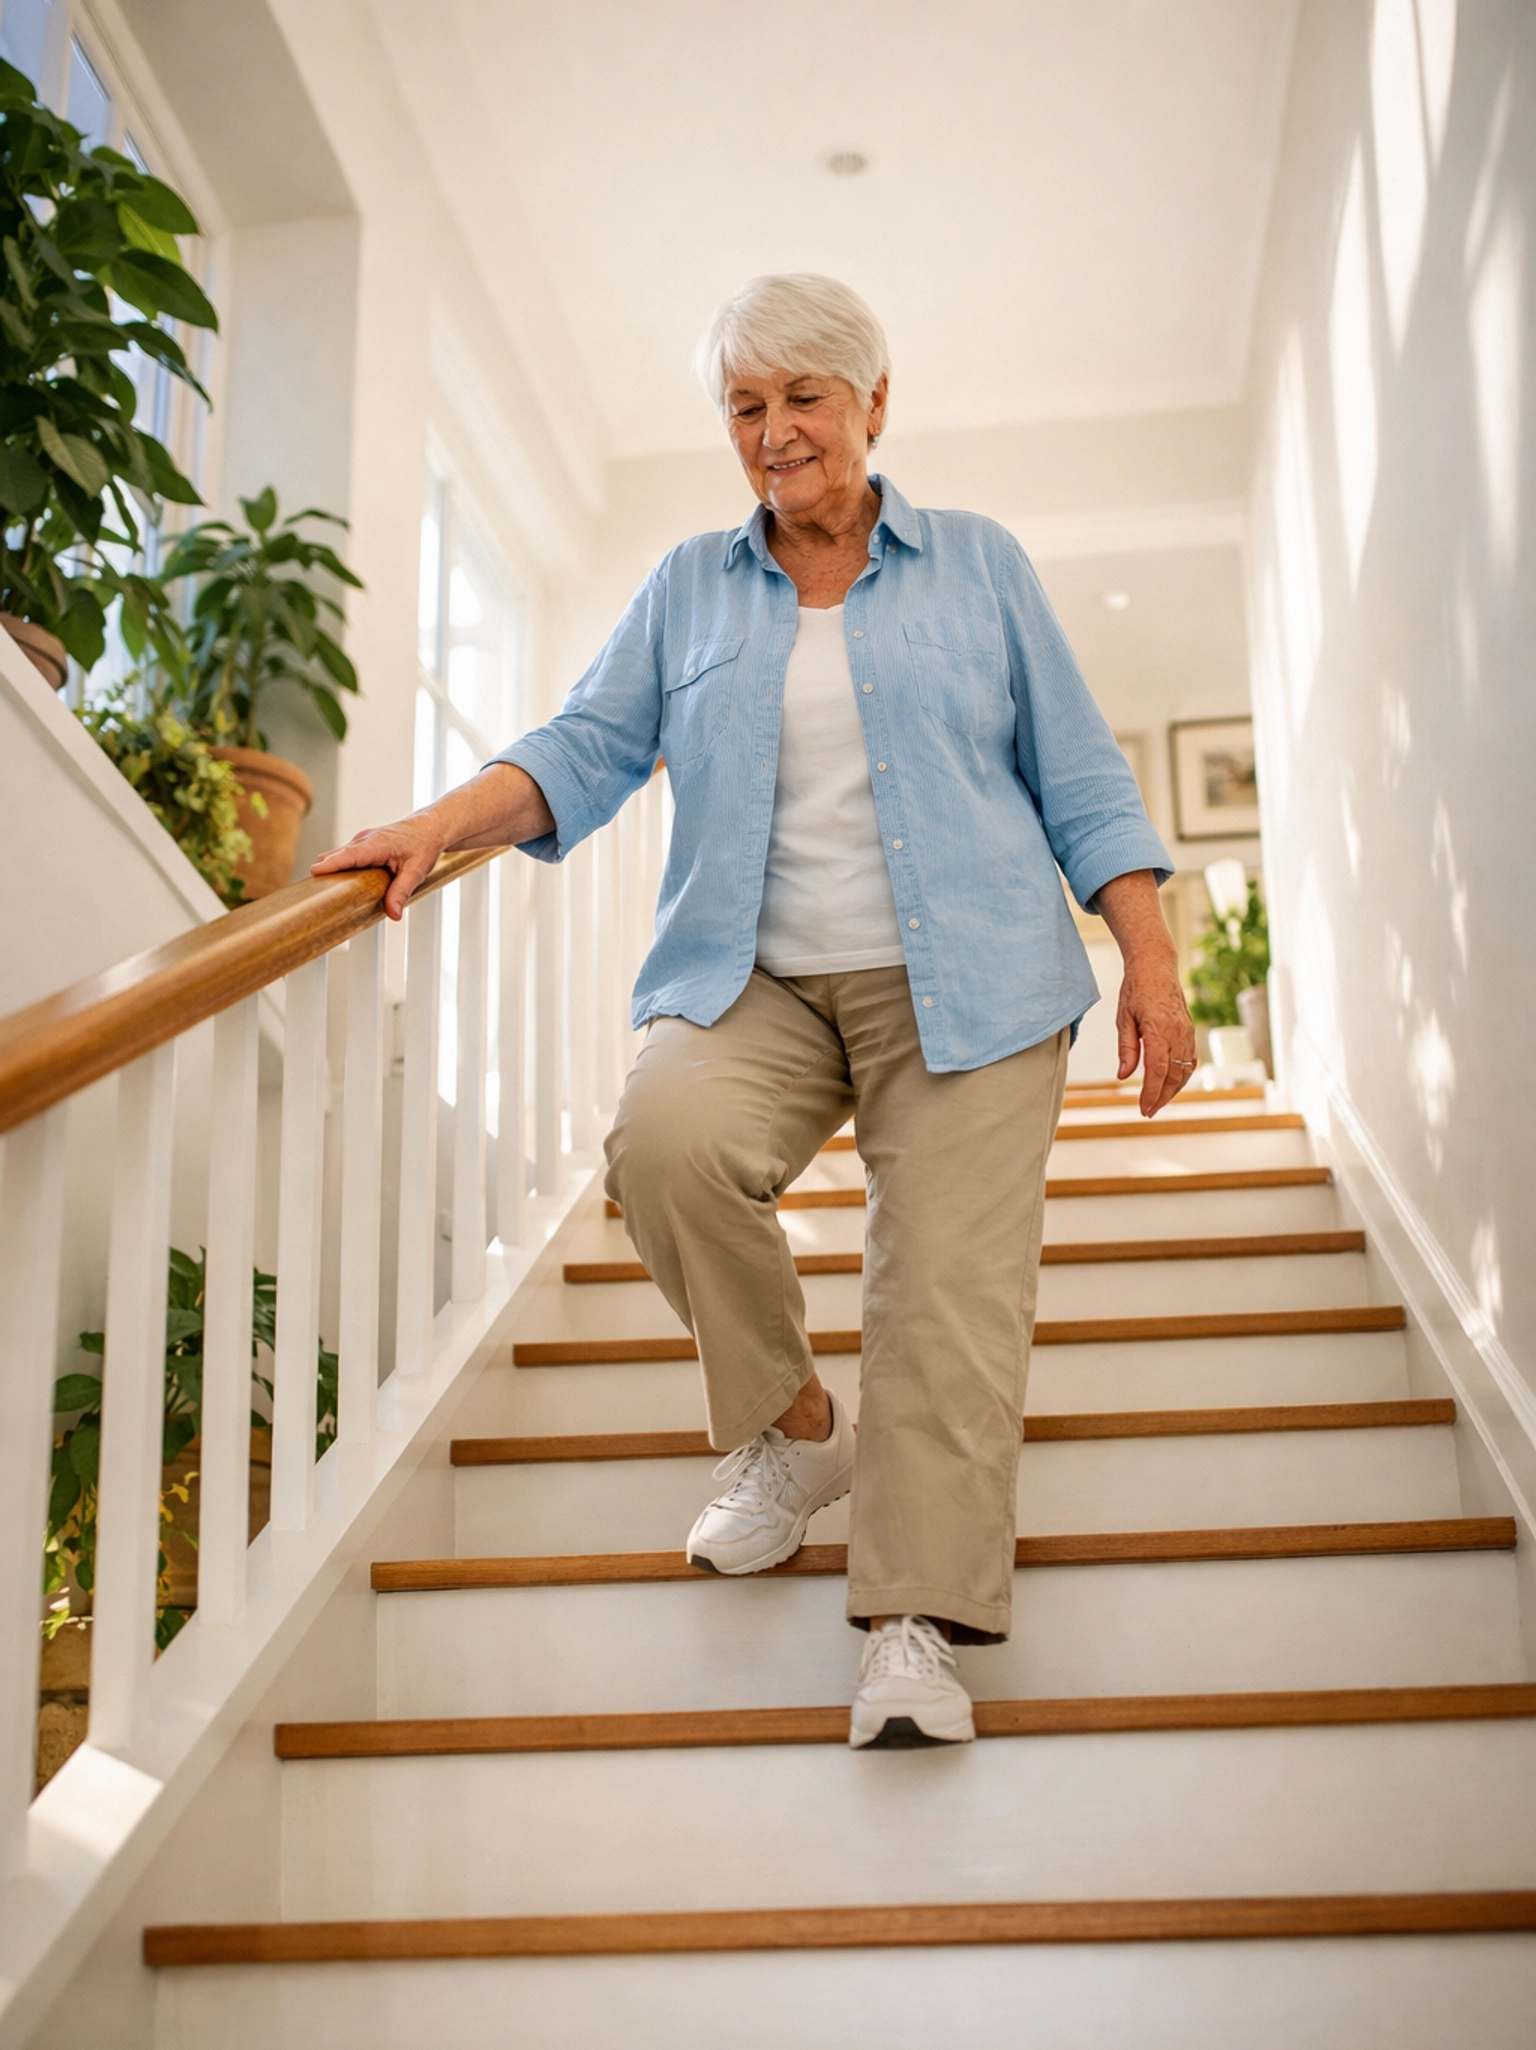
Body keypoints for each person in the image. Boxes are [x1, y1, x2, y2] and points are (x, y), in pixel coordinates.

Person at [314, 274, 1195, 1749]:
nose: (774, 433)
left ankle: (914, 1623)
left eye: (802, 399)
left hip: (970, 984)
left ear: (873, 404)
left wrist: (1151, 966)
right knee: (661, 1144)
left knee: (944, 1297)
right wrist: (436, 825)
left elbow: (1084, 777)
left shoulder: (977, 565)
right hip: (759, 979)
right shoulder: (689, 587)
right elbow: (583, 747)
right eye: (744, 408)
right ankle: (793, 1437)